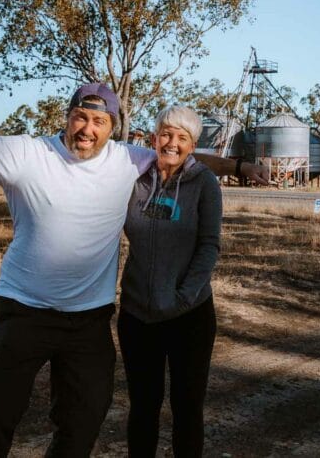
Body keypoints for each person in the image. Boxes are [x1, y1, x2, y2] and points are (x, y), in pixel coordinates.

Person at [0, 83, 266, 458]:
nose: (87, 130)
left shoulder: (128, 159)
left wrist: (241, 167)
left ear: (113, 127)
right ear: (67, 116)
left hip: (89, 324)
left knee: (81, 427)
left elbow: (187, 158)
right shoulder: (27, 152)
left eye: (99, 122)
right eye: (80, 117)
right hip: (22, 312)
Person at [116, 105, 221, 457]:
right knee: (143, 408)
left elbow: (209, 246)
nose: (172, 143)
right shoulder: (135, 180)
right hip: (137, 316)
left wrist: (183, 297)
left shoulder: (204, 183)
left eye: (182, 137)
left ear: (193, 145)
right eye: (166, 134)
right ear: (153, 138)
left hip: (187, 316)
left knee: (186, 410)